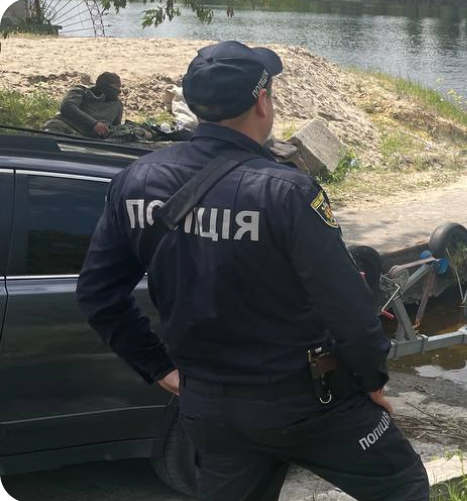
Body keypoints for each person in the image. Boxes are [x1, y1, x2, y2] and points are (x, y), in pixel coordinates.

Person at [76, 41, 430, 501]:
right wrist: (373, 381)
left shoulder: (135, 180)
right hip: (308, 403)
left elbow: (98, 296)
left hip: (208, 408)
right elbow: (349, 310)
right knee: (402, 486)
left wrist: (158, 367)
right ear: (262, 101)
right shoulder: (288, 192)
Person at [43, 72, 124, 139]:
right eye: (116, 86)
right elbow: (67, 106)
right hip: (65, 127)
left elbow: (116, 128)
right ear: (105, 85)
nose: (119, 91)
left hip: (88, 140)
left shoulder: (117, 105)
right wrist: (94, 124)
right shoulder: (80, 91)